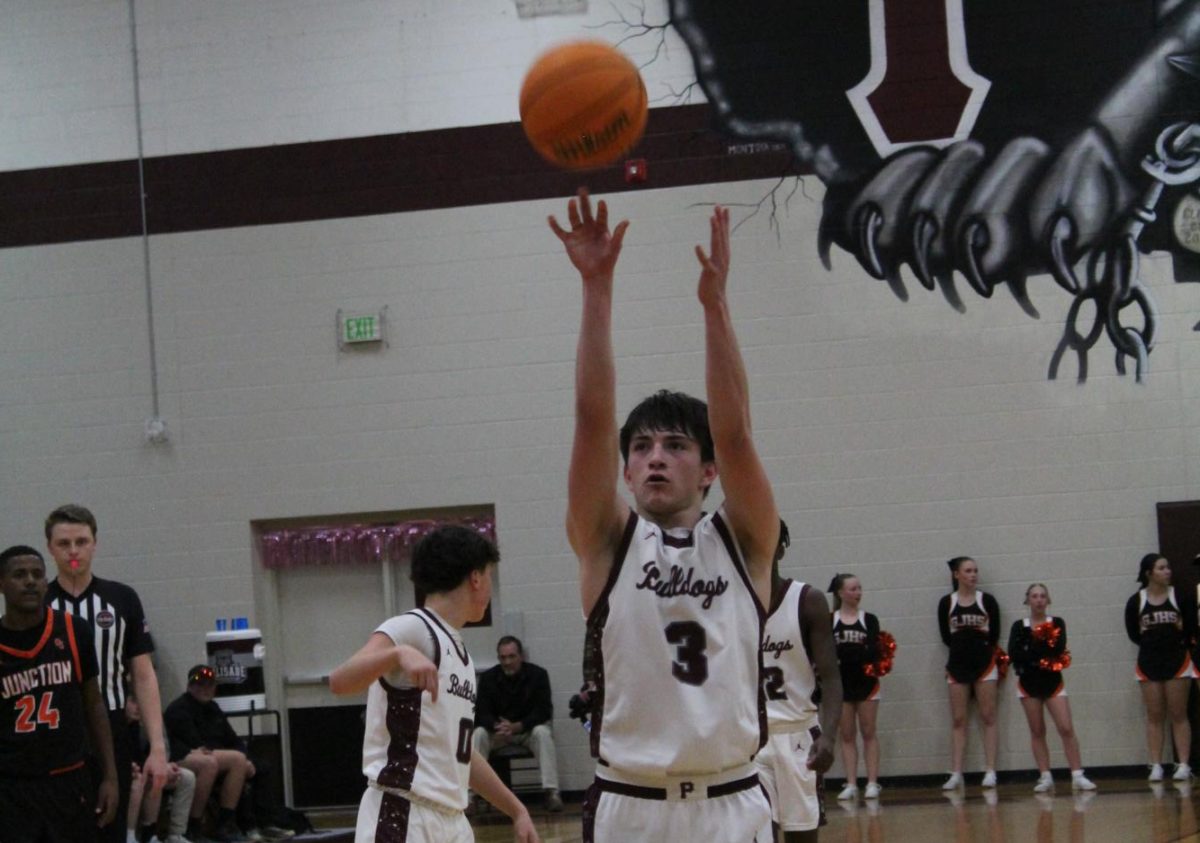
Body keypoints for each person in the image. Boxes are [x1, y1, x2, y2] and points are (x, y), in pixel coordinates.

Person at [551, 189, 779, 842]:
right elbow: (593, 422)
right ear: (625, 471)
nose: (655, 458)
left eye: (675, 445)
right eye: (642, 447)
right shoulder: (604, 540)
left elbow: (736, 435)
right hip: (631, 806)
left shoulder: (745, 538)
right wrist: (596, 288)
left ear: (708, 470)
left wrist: (715, 307)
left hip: (732, 804)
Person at [329, 525, 539, 843]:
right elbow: (340, 681)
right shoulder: (412, 627)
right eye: (490, 576)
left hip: (452, 820)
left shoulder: (460, 654)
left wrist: (516, 809)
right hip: (403, 814)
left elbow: (461, 751)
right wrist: (397, 654)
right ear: (476, 578)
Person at [44, 503, 170, 843]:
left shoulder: (121, 598)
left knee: (110, 826)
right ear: (49, 547)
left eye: (81, 541)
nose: (73, 551)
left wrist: (157, 747)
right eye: (64, 543)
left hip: (112, 726)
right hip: (55, 732)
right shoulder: (38, 604)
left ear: (95, 544)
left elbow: (143, 675)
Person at [0, 544, 118, 841]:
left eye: (38, 574)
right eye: (19, 575)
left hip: (70, 780)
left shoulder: (74, 630)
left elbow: (94, 704)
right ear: (1, 584)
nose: (30, 581)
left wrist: (110, 777)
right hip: (12, 787)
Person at [754, 547, 842, 843]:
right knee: (754, 834)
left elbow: (830, 678)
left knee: (802, 838)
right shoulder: (729, 601)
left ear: (779, 548)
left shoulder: (807, 601)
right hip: (751, 739)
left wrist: (828, 736)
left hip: (798, 736)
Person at [164, 665, 294, 842]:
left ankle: (257, 824)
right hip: (183, 756)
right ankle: (196, 826)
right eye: (200, 684)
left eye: (210, 685)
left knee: (255, 765)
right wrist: (238, 757)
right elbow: (198, 746)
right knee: (225, 761)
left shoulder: (213, 708)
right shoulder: (178, 709)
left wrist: (246, 758)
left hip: (210, 755)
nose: (205, 689)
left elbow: (233, 740)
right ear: (189, 686)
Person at [1007, 583, 1097, 794]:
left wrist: (1031, 652)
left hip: (1053, 682)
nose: (1038, 600)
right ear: (1027, 600)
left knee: (1066, 728)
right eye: (1034, 596)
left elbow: (1057, 650)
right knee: (1037, 730)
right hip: (1028, 684)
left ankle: (1077, 774)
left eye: (1042, 596)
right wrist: (1037, 654)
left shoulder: (1057, 622)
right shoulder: (1019, 626)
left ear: (1048, 600)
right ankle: (1045, 776)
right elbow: (1015, 653)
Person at [1124, 552, 1195, 782]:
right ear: (1149, 574)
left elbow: (1190, 627)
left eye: (1168, 567)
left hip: (1177, 660)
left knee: (1178, 713)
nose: (1167, 571)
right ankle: (1155, 765)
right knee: (1154, 715)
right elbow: (1134, 634)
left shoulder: (1180, 596)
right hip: (1149, 662)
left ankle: (1183, 764)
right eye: (1162, 568)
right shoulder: (1136, 601)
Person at [472, 635, 562, 811]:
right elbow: (480, 712)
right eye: (503, 657)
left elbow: (543, 711)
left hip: (526, 731)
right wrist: (496, 726)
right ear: (498, 658)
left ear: (521, 656)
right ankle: (471, 795)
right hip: (498, 733)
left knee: (543, 733)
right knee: (478, 735)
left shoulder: (538, 675)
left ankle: (552, 792)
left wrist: (518, 726)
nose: (507, 662)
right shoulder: (488, 678)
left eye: (511, 656)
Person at [937, 556, 1001, 790]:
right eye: (968, 571)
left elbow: (994, 635)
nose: (973, 575)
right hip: (957, 665)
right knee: (958, 719)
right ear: (957, 575)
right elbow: (946, 636)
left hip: (984, 665)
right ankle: (956, 773)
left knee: (988, 716)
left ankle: (990, 770)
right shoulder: (947, 603)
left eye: (975, 570)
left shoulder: (988, 601)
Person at [829, 574, 883, 801]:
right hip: (841, 685)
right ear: (841, 593)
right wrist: (855, 654)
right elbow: (827, 652)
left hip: (866, 684)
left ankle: (872, 782)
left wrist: (847, 655)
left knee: (869, 732)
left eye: (859, 588)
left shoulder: (869, 619)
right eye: (853, 589)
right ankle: (851, 783)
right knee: (847, 734)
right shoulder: (829, 620)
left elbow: (873, 652)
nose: (858, 592)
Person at [126, 688, 199, 843]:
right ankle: (130, 835)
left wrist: (165, 765)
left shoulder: (139, 726)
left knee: (186, 777)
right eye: (133, 701)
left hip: (138, 770)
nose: (139, 707)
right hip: (123, 774)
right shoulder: (116, 727)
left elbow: (147, 754)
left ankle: (174, 834)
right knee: (141, 780)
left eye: (141, 702)